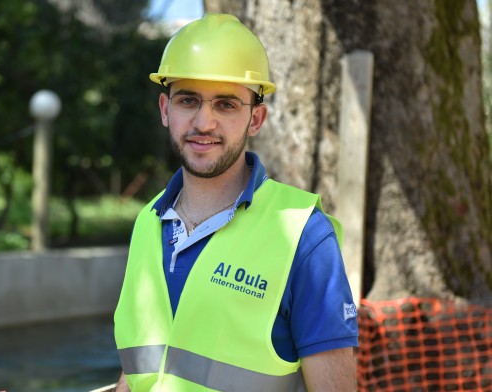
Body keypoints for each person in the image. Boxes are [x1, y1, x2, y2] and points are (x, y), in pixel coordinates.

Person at [113, 13, 358, 392]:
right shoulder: (147, 222)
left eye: (225, 104)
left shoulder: (303, 235)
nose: (204, 122)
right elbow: (141, 372)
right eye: (188, 100)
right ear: (166, 110)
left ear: (256, 118)